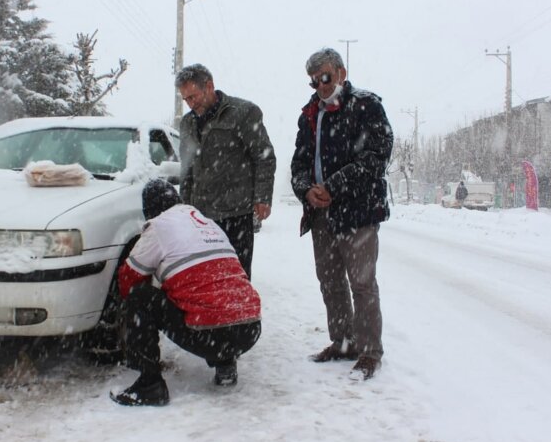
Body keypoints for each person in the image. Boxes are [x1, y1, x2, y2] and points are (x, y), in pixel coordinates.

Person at [110, 179, 262, 406]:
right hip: (249, 329)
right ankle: (225, 363)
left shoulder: (158, 226)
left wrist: (131, 319)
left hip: (208, 334)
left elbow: (128, 279)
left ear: (149, 210)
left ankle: (150, 385)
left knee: (139, 298)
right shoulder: (207, 223)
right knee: (216, 296)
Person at [290, 48, 393, 381]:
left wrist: (333, 185)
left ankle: (369, 352)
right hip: (321, 215)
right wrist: (307, 189)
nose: (320, 85)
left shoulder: (366, 106)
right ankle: (343, 342)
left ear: (341, 73)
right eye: (314, 80)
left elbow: (377, 157)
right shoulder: (310, 113)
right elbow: (300, 162)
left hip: (358, 211)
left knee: (361, 284)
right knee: (331, 281)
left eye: (325, 77)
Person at [175, 63, 276, 279]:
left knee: (236, 278)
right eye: (186, 99)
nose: (191, 104)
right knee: (206, 279)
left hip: (235, 214)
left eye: (193, 97)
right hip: (201, 217)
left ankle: (242, 313)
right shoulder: (187, 123)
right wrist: (185, 209)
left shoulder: (242, 113)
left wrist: (263, 197)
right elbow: (187, 169)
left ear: (209, 86)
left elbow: (264, 156)